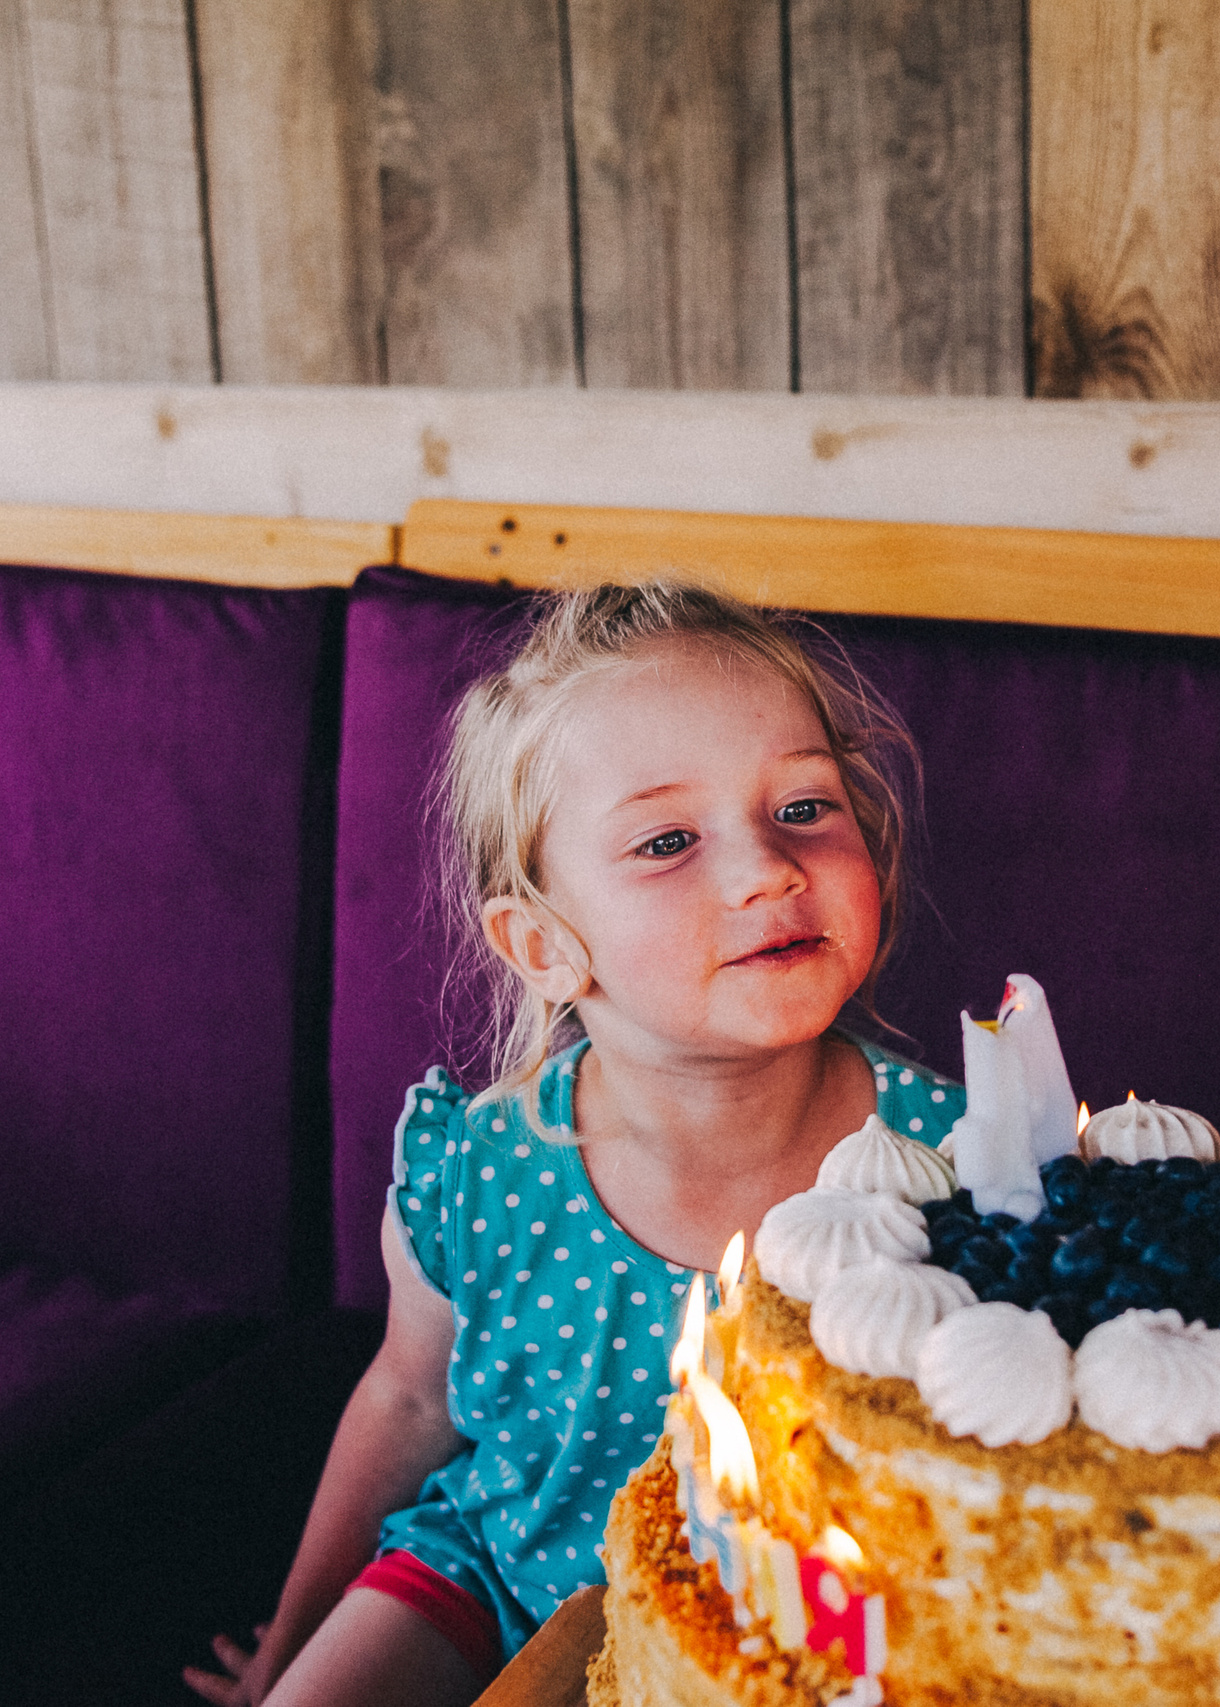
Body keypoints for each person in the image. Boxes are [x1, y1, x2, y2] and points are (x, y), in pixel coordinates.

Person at [185, 584, 964, 1706]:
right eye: (666, 841)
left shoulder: (962, 1167)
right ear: (544, 945)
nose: (768, 870)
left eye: (803, 809)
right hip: (495, 1577)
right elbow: (408, 1401)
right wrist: (288, 1647)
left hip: (795, 1635)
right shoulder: (480, 1169)